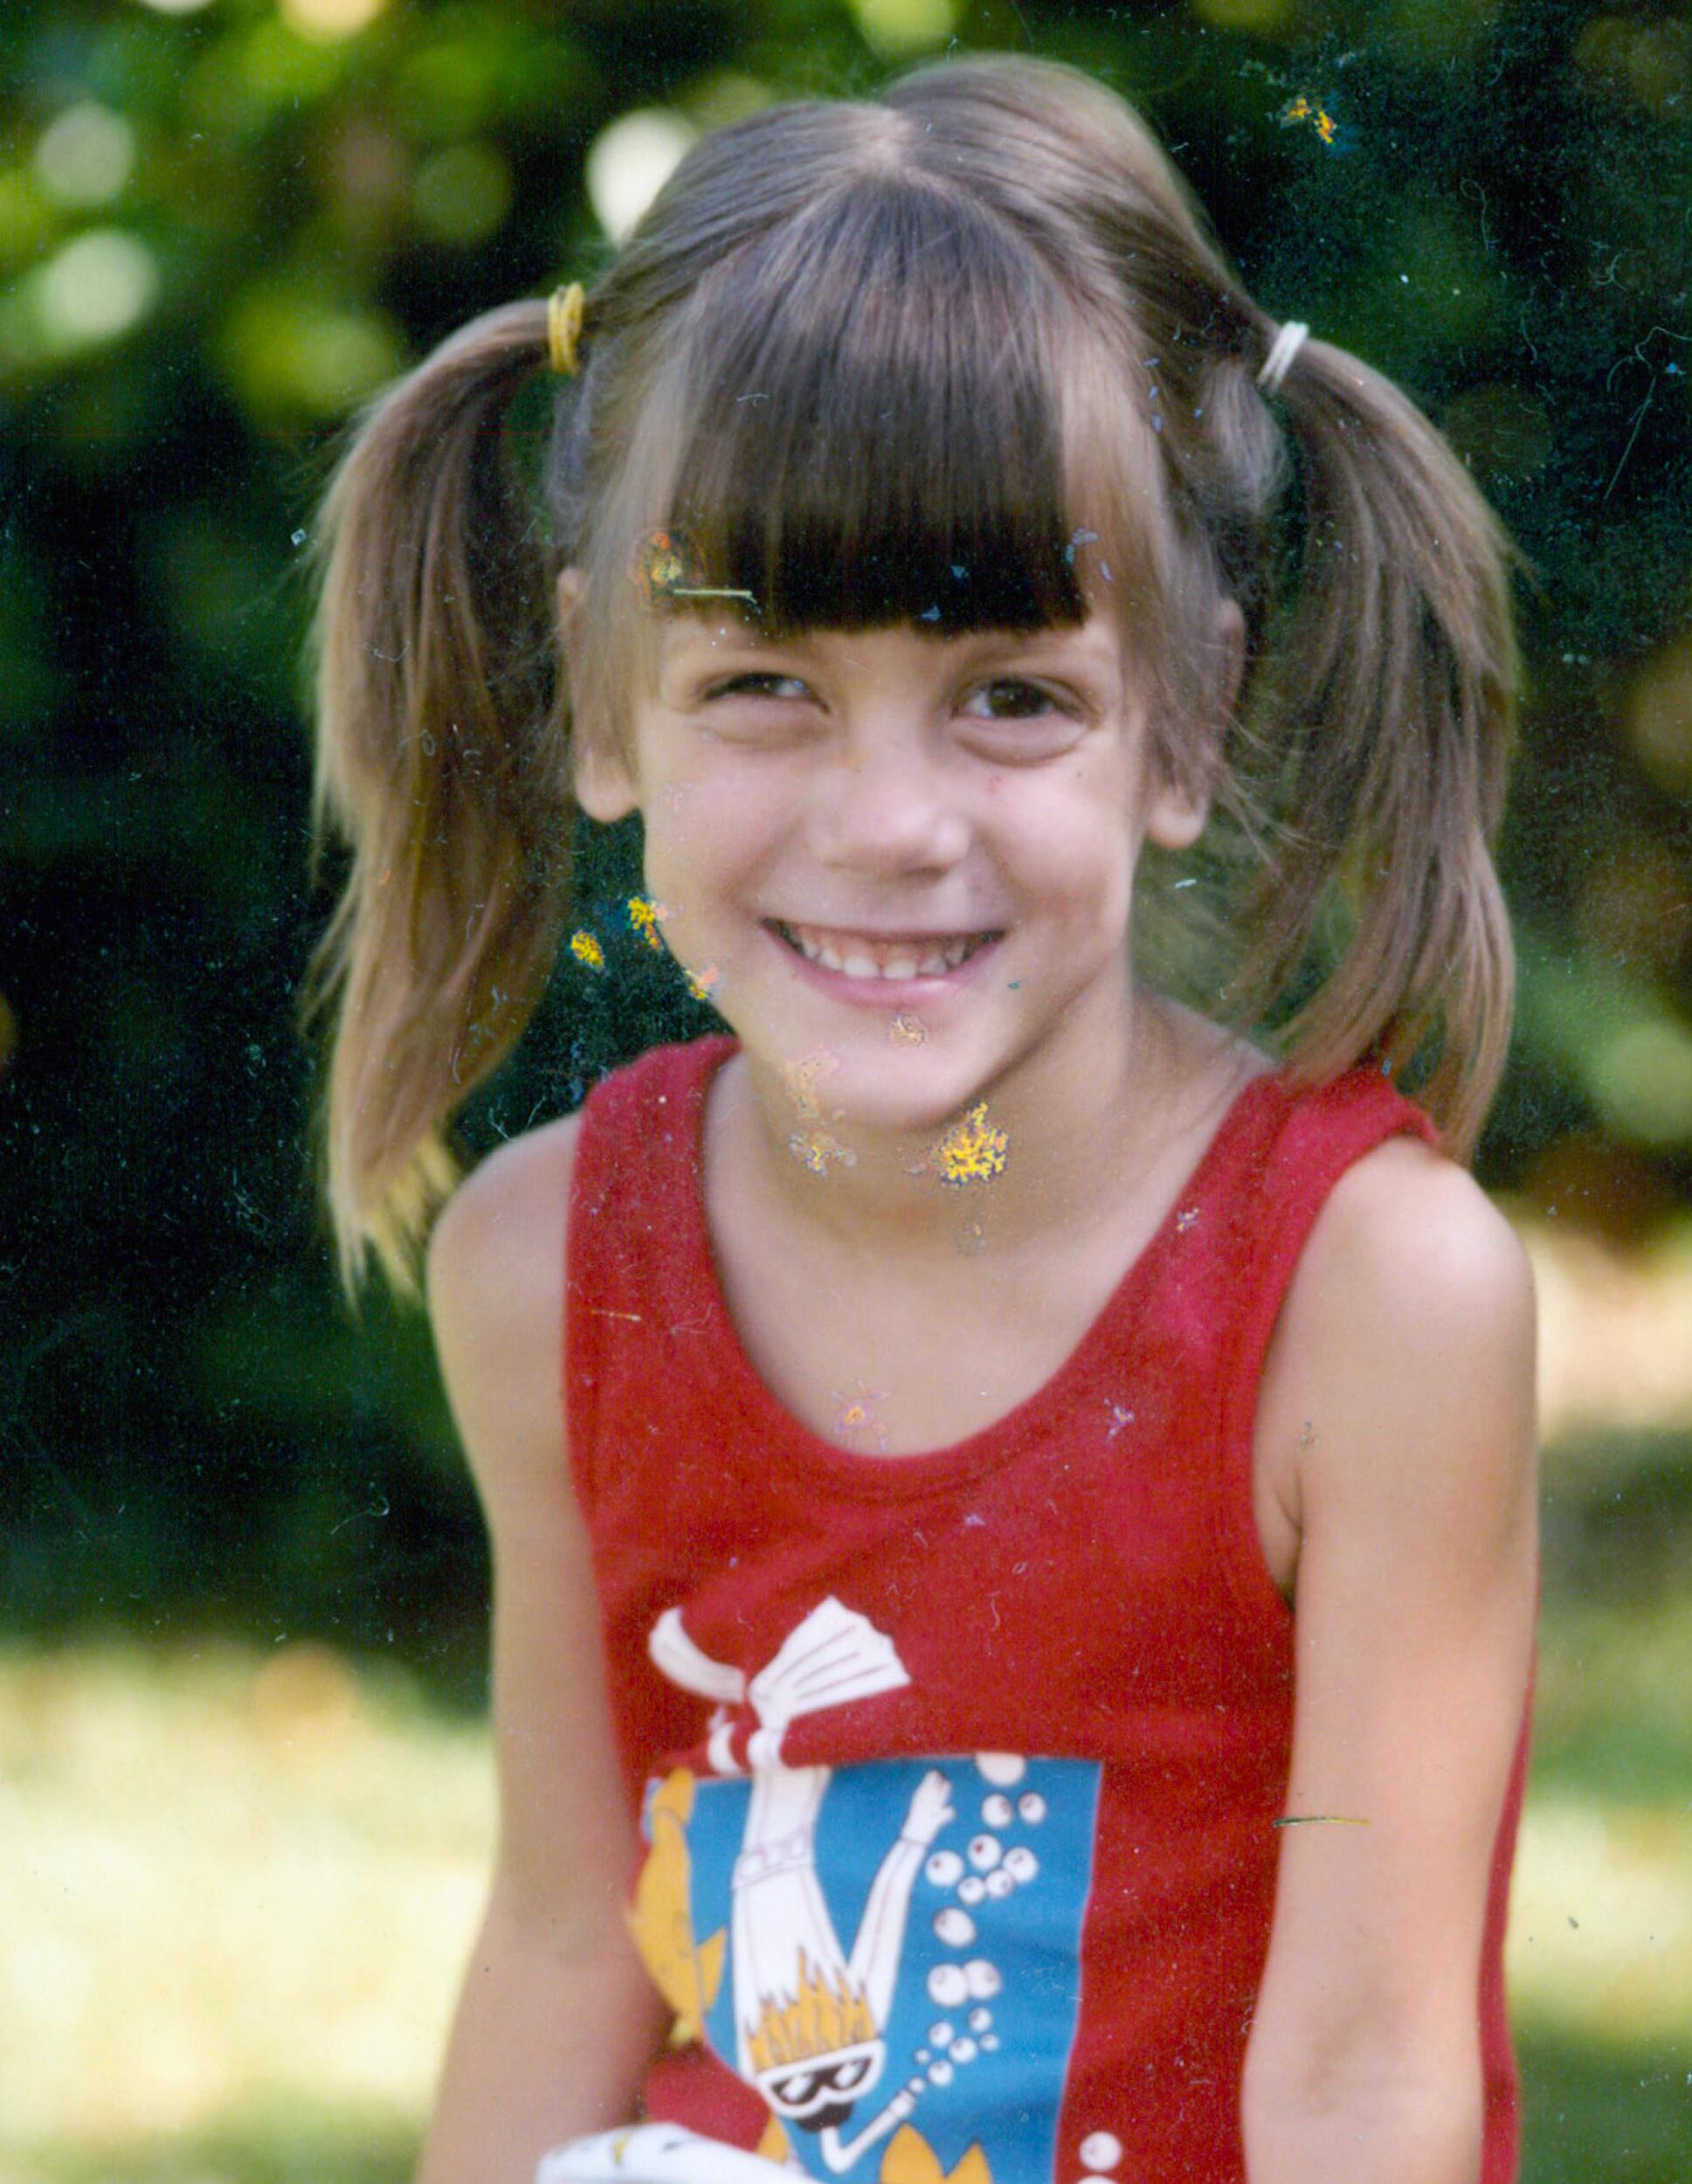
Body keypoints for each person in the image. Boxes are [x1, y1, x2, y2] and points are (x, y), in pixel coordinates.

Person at [300, 52, 1537, 2184]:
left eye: (1013, 695)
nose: (888, 824)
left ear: (1184, 722)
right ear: (604, 698)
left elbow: (1365, 2080)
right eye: (764, 679)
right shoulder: (537, 1259)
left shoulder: (1369, 1296)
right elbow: (564, 1939)